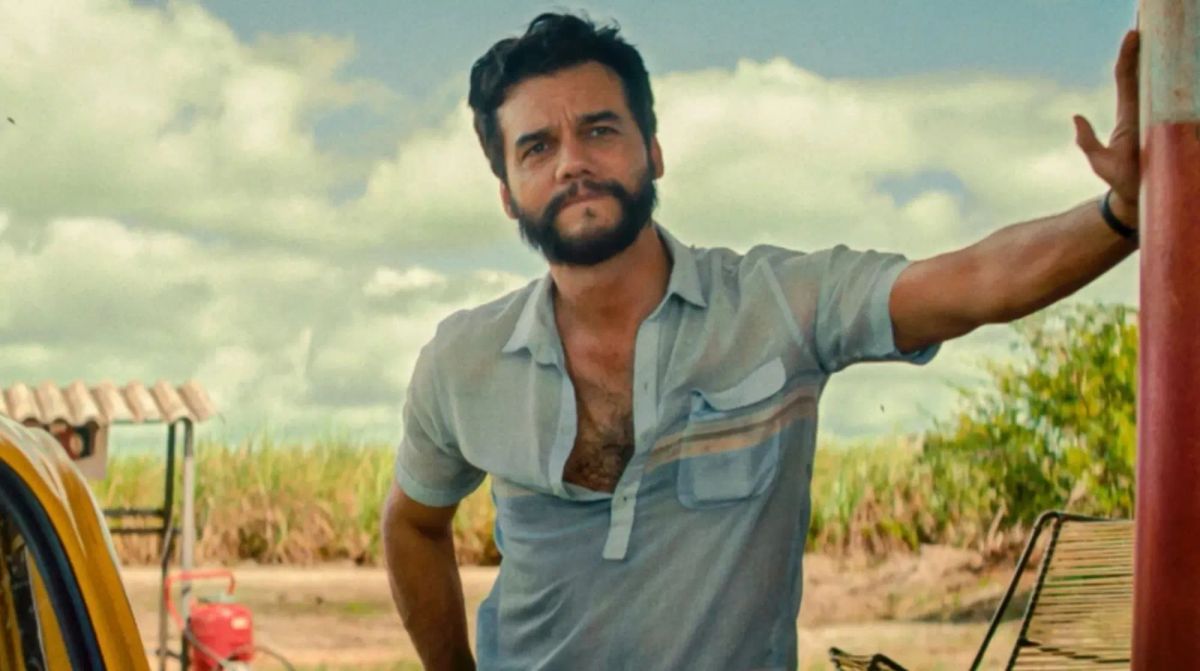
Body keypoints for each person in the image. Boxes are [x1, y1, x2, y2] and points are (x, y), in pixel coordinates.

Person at [381, 13, 1140, 671]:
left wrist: (1122, 213)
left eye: (600, 130)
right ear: (508, 190)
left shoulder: (779, 305)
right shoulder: (463, 359)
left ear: (653, 150)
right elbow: (413, 522)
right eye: (537, 147)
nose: (573, 161)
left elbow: (975, 281)